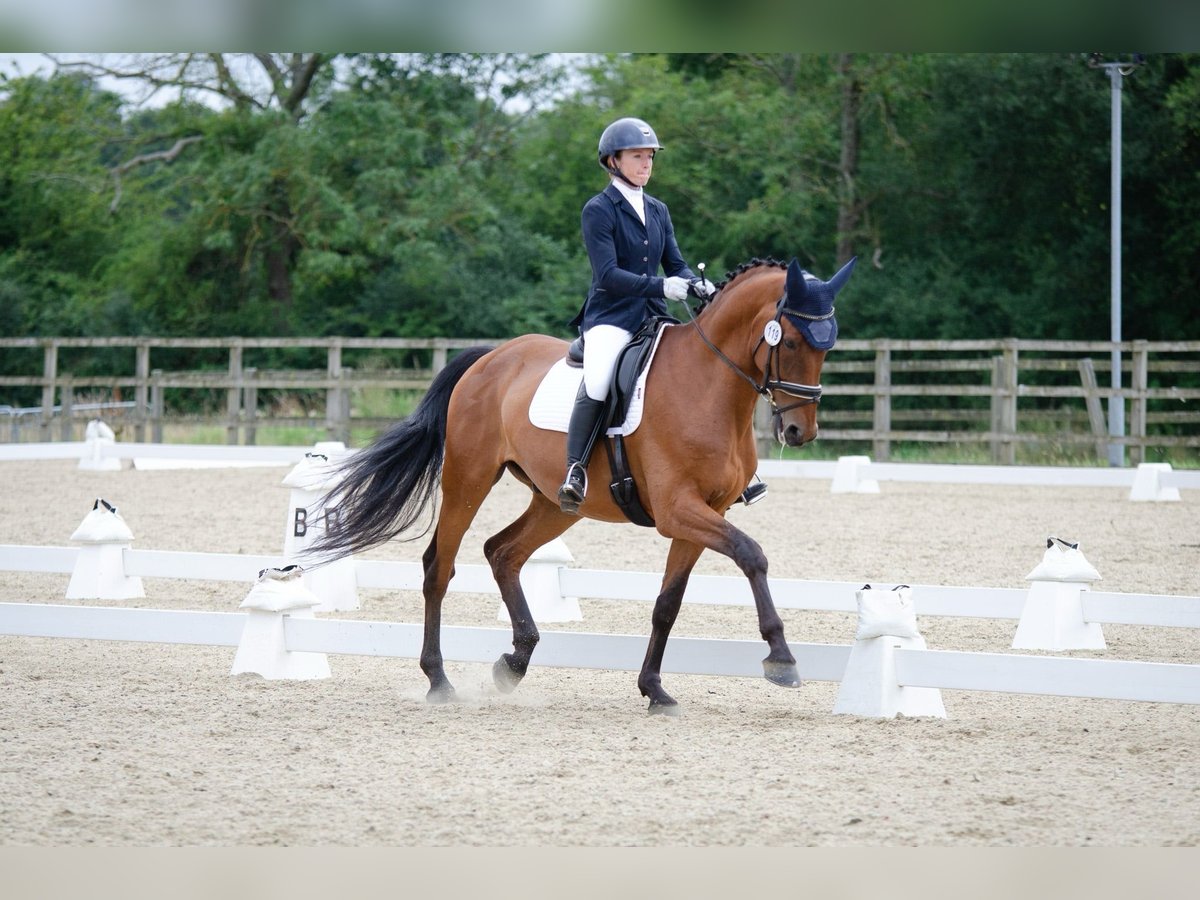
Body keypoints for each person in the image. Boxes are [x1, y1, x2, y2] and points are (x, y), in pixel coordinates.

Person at [557, 116, 716, 514]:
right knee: (597, 380)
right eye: (637, 157)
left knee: (697, 371)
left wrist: (701, 286)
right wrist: (660, 285)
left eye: (649, 157)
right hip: (611, 317)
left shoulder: (658, 209)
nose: (646, 164)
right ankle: (575, 469)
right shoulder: (599, 210)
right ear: (613, 161)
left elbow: (676, 263)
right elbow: (607, 274)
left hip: (653, 317)